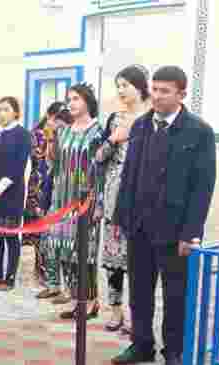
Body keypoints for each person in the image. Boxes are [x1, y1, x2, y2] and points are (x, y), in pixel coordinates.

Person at [111, 66, 216, 365]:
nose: (156, 96)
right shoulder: (141, 125)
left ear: (181, 94)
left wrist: (191, 233)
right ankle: (141, 343)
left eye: (164, 91)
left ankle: (174, 352)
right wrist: (122, 218)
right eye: (154, 89)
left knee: (175, 294)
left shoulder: (198, 132)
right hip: (139, 226)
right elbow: (129, 175)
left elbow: (202, 187)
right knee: (139, 290)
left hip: (174, 230)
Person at [94, 65, 151, 332]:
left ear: (140, 87)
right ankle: (116, 312)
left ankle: (136, 317)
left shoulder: (152, 119)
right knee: (113, 263)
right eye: (118, 86)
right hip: (114, 199)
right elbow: (98, 158)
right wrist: (115, 139)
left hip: (141, 200)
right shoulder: (114, 119)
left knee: (139, 265)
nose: (120, 91)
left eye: (125, 85)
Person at [42, 83, 103, 320]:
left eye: (76, 98)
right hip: (62, 198)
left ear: (88, 101)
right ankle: (77, 300)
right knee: (64, 249)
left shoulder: (98, 131)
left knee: (84, 253)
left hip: (85, 200)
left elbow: (101, 169)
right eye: (69, 99)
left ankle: (91, 302)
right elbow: (53, 163)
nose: (71, 103)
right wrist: (50, 140)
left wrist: (97, 202)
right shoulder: (64, 131)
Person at [0, 96, 31, 291]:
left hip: (11, 191)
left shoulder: (22, 134)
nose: (1, 113)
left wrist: (1, 186)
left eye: (6, 109)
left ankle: (10, 276)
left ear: (15, 112)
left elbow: (19, 164)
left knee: (10, 235)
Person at [24, 102, 64, 282]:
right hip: (38, 183)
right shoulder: (37, 134)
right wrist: (50, 140)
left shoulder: (63, 131)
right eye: (56, 117)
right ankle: (40, 268)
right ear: (49, 115)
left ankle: (50, 269)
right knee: (39, 227)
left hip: (54, 183)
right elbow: (37, 157)